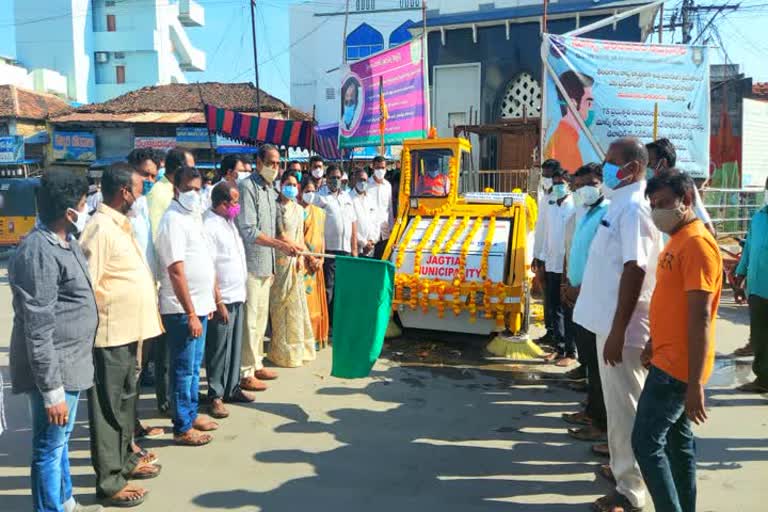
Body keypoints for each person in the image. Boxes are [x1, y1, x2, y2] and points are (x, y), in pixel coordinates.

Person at [573, 138, 664, 512]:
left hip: (622, 331)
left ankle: (632, 493)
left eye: (611, 162)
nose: (605, 167)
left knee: (627, 411)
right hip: (607, 324)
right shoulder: (619, 203)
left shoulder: (637, 209)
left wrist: (617, 330)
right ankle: (623, 469)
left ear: (631, 168)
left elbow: (636, 269)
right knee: (617, 408)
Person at [9, 170, 102, 512]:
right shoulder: (38, 253)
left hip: (71, 363)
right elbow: (37, 327)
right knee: (49, 447)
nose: (86, 208)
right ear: (69, 212)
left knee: (59, 443)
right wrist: (52, 392)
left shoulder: (64, 241)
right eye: (82, 204)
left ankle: (64, 500)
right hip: (55, 370)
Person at [630, 171, 722, 512]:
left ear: (686, 200)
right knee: (676, 444)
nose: (657, 211)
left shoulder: (697, 244)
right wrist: (654, 341)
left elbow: (699, 316)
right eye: (653, 205)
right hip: (666, 357)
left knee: (645, 443)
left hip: (677, 368)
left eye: (665, 204)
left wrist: (695, 383)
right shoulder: (679, 238)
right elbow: (674, 303)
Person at [80, 162, 164, 506]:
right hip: (110, 335)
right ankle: (110, 481)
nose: (144, 191)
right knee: (108, 409)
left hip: (131, 333)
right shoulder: (99, 228)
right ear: (123, 192)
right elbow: (87, 285)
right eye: (139, 186)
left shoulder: (120, 225)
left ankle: (125, 461)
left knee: (127, 403)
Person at [155, 165, 219, 446]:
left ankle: (191, 414)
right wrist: (192, 311)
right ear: (175, 189)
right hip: (182, 309)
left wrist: (207, 303)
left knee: (194, 367)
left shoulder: (192, 216)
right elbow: (176, 270)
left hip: (199, 306)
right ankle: (182, 425)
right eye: (189, 189)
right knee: (184, 368)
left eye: (199, 188)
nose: (195, 194)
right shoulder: (172, 221)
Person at [237, 144, 301, 391]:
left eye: (277, 164)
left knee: (261, 319)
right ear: (258, 161)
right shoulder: (247, 188)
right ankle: (245, 371)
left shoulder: (270, 190)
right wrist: (280, 245)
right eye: (271, 163)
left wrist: (286, 247)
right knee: (250, 320)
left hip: (267, 265)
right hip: (251, 264)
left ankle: (256, 363)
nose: (275, 168)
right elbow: (249, 230)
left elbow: (275, 229)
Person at [561, 163, 610, 445]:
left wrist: (580, 288)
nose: (582, 191)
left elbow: (602, 262)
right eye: (578, 187)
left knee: (599, 367)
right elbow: (578, 252)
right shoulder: (589, 213)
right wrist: (570, 284)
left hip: (594, 297)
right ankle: (591, 413)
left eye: (588, 185)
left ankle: (601, 423)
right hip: (580, 295)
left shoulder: (607, 214)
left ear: (601, 183)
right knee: (590, 363)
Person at [203, 181, 254, 418]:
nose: (238, 206)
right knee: (218, 349)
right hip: (222, 296)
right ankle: (215, 395)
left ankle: (232, 387)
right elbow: (209, 266)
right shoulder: (209, 225)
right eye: (235, 202)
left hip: (238, 293)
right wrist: (218, 300)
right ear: (223, 204)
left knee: (234, 346)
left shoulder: (229, 222)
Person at [268, 172, 316, 367]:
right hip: (280, 262)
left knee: (296, 307)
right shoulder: (275, 207)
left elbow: (300, 238)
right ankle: (280, 352)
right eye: (288, 183)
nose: (291, 187)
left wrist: (307, 256)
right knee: (280, 307)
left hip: (296, 263)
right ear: (280, 185)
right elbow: (279, 235)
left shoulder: (297, 208)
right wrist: (295, 249)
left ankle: (297, 351)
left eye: (294, 184)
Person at [541, 167, 576, 365]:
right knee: (554, 307)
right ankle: (559, 347)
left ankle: (571, 352)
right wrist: (543, 258)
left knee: (567, 308)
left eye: (561, 183)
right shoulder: (552, 204)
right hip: (552, 263)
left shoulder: (573, 207)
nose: (557, 187)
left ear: (569, 185)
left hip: (567, 266)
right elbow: (547, 234)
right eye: (555, 183)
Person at [733, 197, 768, 393]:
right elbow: (748, 248)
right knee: (760, 335)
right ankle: (763, 378)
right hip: (757, 287)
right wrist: (741, 272)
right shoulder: (758, 217)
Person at [646, 138, 716, 237]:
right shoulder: (647, 189)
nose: (646, 168)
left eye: (649, 163)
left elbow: (708, 229)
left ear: (663, 163)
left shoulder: (682, 185)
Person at [316, 164, 358, 328]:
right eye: (332, 177)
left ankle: (340, 322)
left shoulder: (347, 197)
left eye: (338, 177)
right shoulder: (320, 197)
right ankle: (327, 324)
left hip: (346, 251)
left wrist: (354, 248)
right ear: (326, 179)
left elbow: (353, 222)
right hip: (329, 250)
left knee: (343, 288)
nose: (335, 180)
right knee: (329, 288)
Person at [543, 70, 595, 174]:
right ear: (573, 103)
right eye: (588, 102)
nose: (591, 108)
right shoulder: (565, 141)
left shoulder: (566, 136)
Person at [532, 159, 561, 339]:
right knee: (547, 298)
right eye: (544, 175)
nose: (546, 178)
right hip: (543, 254)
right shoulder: (544, 196)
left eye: (549, 175)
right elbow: (541, 228)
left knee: (556, 301)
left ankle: (559, 338)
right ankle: (549, 331)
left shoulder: (561, 201)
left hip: (557, 259)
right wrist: (537, 255)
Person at [300, 178, 330, 348]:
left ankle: (318, 338)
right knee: (305, 303)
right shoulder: (297, 212)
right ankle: (305, 341)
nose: (310, 194)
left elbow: (321, 236)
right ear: (301, 191)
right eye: (307, 191)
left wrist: (322, 258)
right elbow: (298, 236)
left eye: (313, 191)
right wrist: (310, 258)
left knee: (318, 302)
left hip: (318, 263)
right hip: (303, 263)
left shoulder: (319, 212)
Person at [147, 148, 195, 237]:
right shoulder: (158, 193)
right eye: (191, 169)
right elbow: (157, 234)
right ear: (179, 169)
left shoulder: (184, 190)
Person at [368, 155, 394, 259]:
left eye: (382, 168)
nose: (380, 170)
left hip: (385, 232)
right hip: (370, 234)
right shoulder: (366, 185)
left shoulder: (388, 186)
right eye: (377, 168)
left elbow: (390, 209)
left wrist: (391, 229)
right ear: (372, 167)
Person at [351, 168, 379, 258]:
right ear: (354, 180)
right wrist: (364, 243)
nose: (363, 183)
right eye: (361, 180)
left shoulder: (371, 199)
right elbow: (349, 225)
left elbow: (376, 222)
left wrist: (372, 240)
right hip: (356, 248)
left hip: (371, 248)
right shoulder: (348, 199)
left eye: (365, 180)